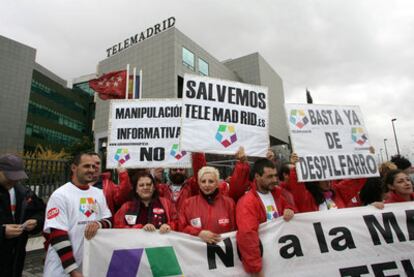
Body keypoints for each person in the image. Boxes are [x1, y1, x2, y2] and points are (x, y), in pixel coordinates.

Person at [43, 153, 112, 277]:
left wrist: (99, 224)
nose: (91, 169)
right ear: (74, 168)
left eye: (93, 166)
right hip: (61, 269)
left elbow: (109, 220)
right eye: (86, 166)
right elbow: (58, 236)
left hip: (87, 266)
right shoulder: (60, 195)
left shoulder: (98, 193)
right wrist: (73, 270)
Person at [236, 158, 296, 276]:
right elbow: (247, 235)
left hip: (282, 257)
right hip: (264, 263)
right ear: (257, 176)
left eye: (275, 176)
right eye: (269, 177)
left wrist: (290, 209)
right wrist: (255, 269)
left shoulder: (277, 193)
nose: (274, 180)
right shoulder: (247, 202)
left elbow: (289, 206)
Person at [0, 154, 45, 277]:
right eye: (9, 176)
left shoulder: (24, 193)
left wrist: (35, 221)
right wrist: (2, 232)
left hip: (15, 261)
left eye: (17, 177)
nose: (13, 180)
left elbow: (41, 212)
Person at [179, 166, 236, 243]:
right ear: (199, 183)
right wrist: (199, 233)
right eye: (203, 181)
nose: (207, 185)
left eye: (211, 181)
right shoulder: (188, 203)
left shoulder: (229, 203)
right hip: (196, 252)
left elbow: (235, 229)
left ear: (217, 183)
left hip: (222, 251)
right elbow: (181, 226)